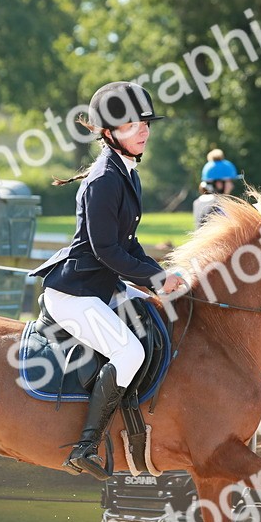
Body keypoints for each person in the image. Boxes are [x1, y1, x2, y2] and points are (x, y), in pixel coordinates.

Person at [30, 81, 186, 479]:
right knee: (129, 353)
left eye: (146, 123)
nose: (144, 130)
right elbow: (106, 252)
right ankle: (84, 447)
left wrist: (161, 276)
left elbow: (127, 244)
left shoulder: (126, 172)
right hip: (75, 292)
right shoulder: (104, 179)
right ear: (108, 132)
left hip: (102, 287)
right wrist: (154, 277)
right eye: (133, 124)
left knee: (155, 326)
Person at [192, 148, 242, 228]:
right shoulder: (220, 204)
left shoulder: (197, 202)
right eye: (229, 181)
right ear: (219, 184)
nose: (232, 186)